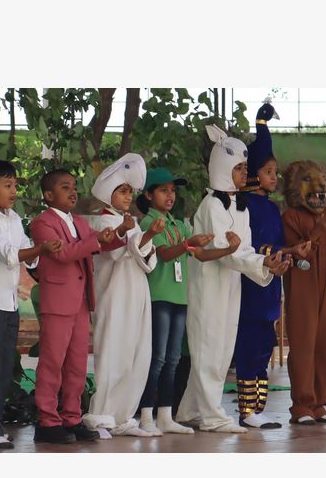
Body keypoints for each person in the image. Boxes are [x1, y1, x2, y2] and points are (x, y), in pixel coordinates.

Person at [176, 125, 288, 434]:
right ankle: (213, 416)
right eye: (238, 168)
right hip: (209, 286)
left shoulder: (241, 206)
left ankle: (190, 411)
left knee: (222, 349)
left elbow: (245, 249)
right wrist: (260, 261)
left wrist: (267, 265)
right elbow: (226, 251)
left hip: (231, 285)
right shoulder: (212, 205)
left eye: (243, 168)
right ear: (222, 170)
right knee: (209, 347)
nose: (243, 174)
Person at [0, 160, 61, 449]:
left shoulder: (13, 218)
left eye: (15, 185)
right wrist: (39, 249)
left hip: (8, 303)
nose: (14, 190)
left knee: (5, 366)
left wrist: (40, 251)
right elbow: (9, 254)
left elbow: (27, 256)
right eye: (8, 185)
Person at [29, 169, 124, 444]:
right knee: (52, 363)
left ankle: (71, 417)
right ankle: (47, 420)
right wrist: (96, 240)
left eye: (74, 187)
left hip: (80, 300)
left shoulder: (79, 222)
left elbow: (99, 243)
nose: (73, 192)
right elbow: (63, 254)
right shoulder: (42, 223)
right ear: (48, 195)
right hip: (58, 301)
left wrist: (119, 232)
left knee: (77, 365)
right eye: (65, 187)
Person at [233, 103, 310, 429]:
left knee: (265, 344)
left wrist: (291, 250)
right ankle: (246, 410)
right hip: (251, 286)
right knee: (250, 344)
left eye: (275, 172)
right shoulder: (246, 205)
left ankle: (258, 408)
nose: (274, 178)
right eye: (269, 172)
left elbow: (274, 246)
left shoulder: (269, 206)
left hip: (269, 286)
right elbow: (250, 247)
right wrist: (281, 252)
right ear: (253, 175)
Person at [81, 154, 162, 438]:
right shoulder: (102, 221)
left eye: (130, 191)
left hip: (137, 292)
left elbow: (144, 258)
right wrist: (143, 234)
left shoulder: (130, 222)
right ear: (109, 193)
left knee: (137, 354)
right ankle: (100, 417)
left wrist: (146, 235)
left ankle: (123, 416)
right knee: (114, 353)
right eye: (122, 191)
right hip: (114, 296)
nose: (128, 197)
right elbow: (114, 251)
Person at [135, 167, 213, 436]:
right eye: (163, 190)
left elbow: (198, 255)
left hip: (179, 297)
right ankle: (146, 415)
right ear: (148, 195)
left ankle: (166, 415)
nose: (170, 196)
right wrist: (188, 244)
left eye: (173, 191)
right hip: (159, 296)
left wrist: (227, 249)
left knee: (173, 358)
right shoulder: (148, 224)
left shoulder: (179, 225)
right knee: (156, 358)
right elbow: (165, 254)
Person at [281, 160, 326, 425]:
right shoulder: (290, 216)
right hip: (302, 288)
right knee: (303, 344)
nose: (321, 186)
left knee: (325, 345)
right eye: (308, 180)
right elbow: (297, 251)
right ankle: (301, 404)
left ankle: (320, 403)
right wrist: (319, 230)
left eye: (322, 180)